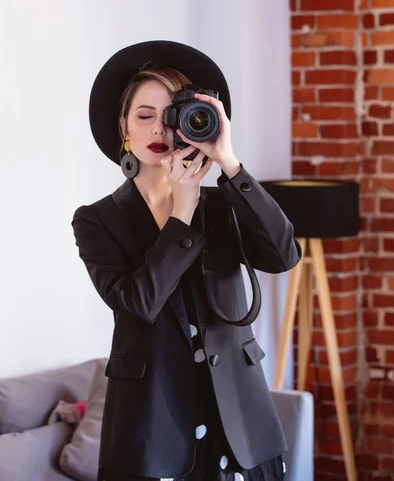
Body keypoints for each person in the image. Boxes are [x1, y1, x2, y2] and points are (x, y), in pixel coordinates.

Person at [72, 40, 302, 481]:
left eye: (171, 117)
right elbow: (137, 304)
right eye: (144, 116)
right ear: (123, 127)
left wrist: (229, 164)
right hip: (152, 430)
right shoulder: (97, 220)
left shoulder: (224, 205)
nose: (158, 130)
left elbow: (283, 255)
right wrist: (181, 210)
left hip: (239, 423)